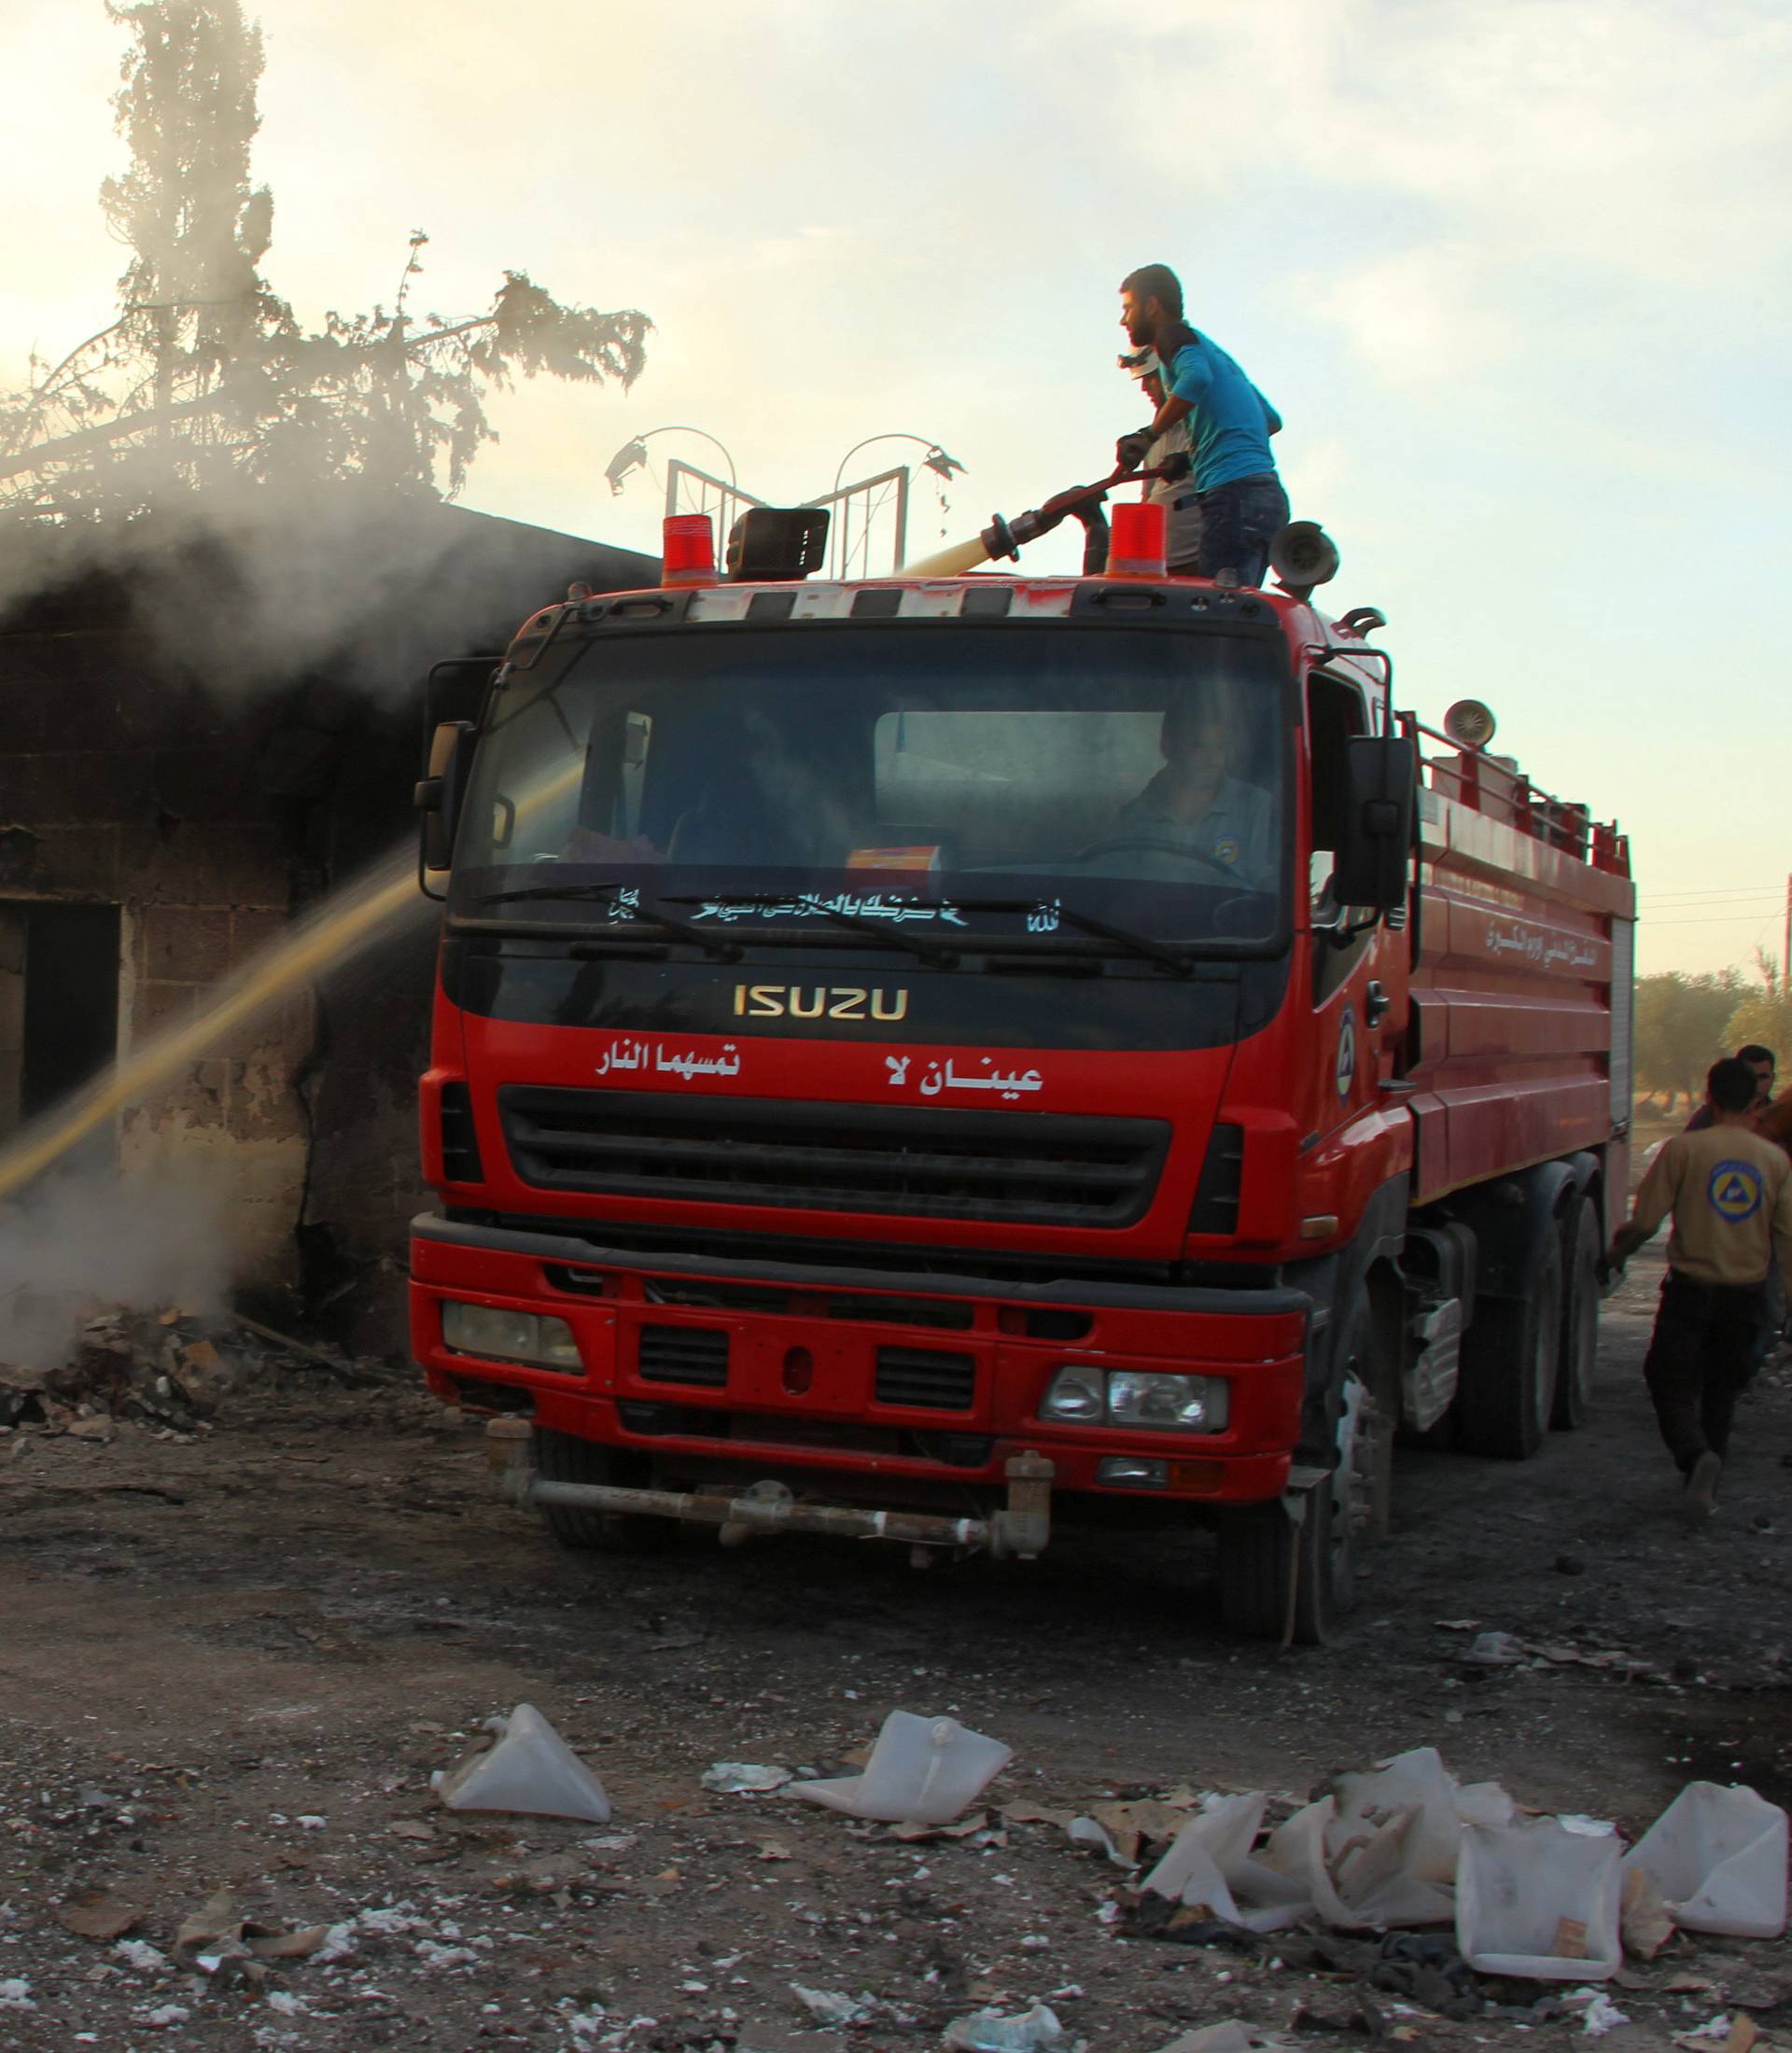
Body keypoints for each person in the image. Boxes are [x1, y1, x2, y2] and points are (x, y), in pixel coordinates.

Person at [1607, 1055, 1792, 1519]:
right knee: (1721, 1389)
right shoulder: (1774, 1160)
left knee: (1666, 1375)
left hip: (1691, 1288)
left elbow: (1645, 1223)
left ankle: (1694, 1457)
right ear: (1755, 1100)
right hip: (1745, 1292)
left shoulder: (1682, 1150)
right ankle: (1706, 1486)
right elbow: (1787, 1237)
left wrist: (1614, 1256)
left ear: (1708, 1097)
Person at [1115, 263, 1288, 588]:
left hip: (1234, 499)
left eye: (1128, 308)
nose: (1123, 320)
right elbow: (1270, 420)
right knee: (1235, 610)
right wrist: (1192, 457)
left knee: (1215, 612)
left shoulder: (1171, 336)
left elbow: (1196, 378)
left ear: (1151, 305)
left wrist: (1149, 435)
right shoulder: (1212, 349)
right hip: (1266, 498)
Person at [1116, 688, 1274, 887]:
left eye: (1220, 747)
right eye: (1199, 746)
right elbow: (1120, 891)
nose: (1214, 760)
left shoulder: (1255, 805)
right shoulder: (1134, 816)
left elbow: (1268, 889)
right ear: (1167, 748)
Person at [1118, 345, 1202, 575]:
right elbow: (1147, 500)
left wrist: (1189, 459)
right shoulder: (1151, 440)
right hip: (1159, 569)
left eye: (1151, 379)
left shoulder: (1205, 422)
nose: (1145, 388)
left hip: (1202, 560)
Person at [1685, 1045, 1775, 1132]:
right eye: (1748, 1078)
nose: (1756, 1084)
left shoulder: (1781, 1115)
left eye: (1762, 1077)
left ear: (1773, 1078)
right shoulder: (1707, 1115)